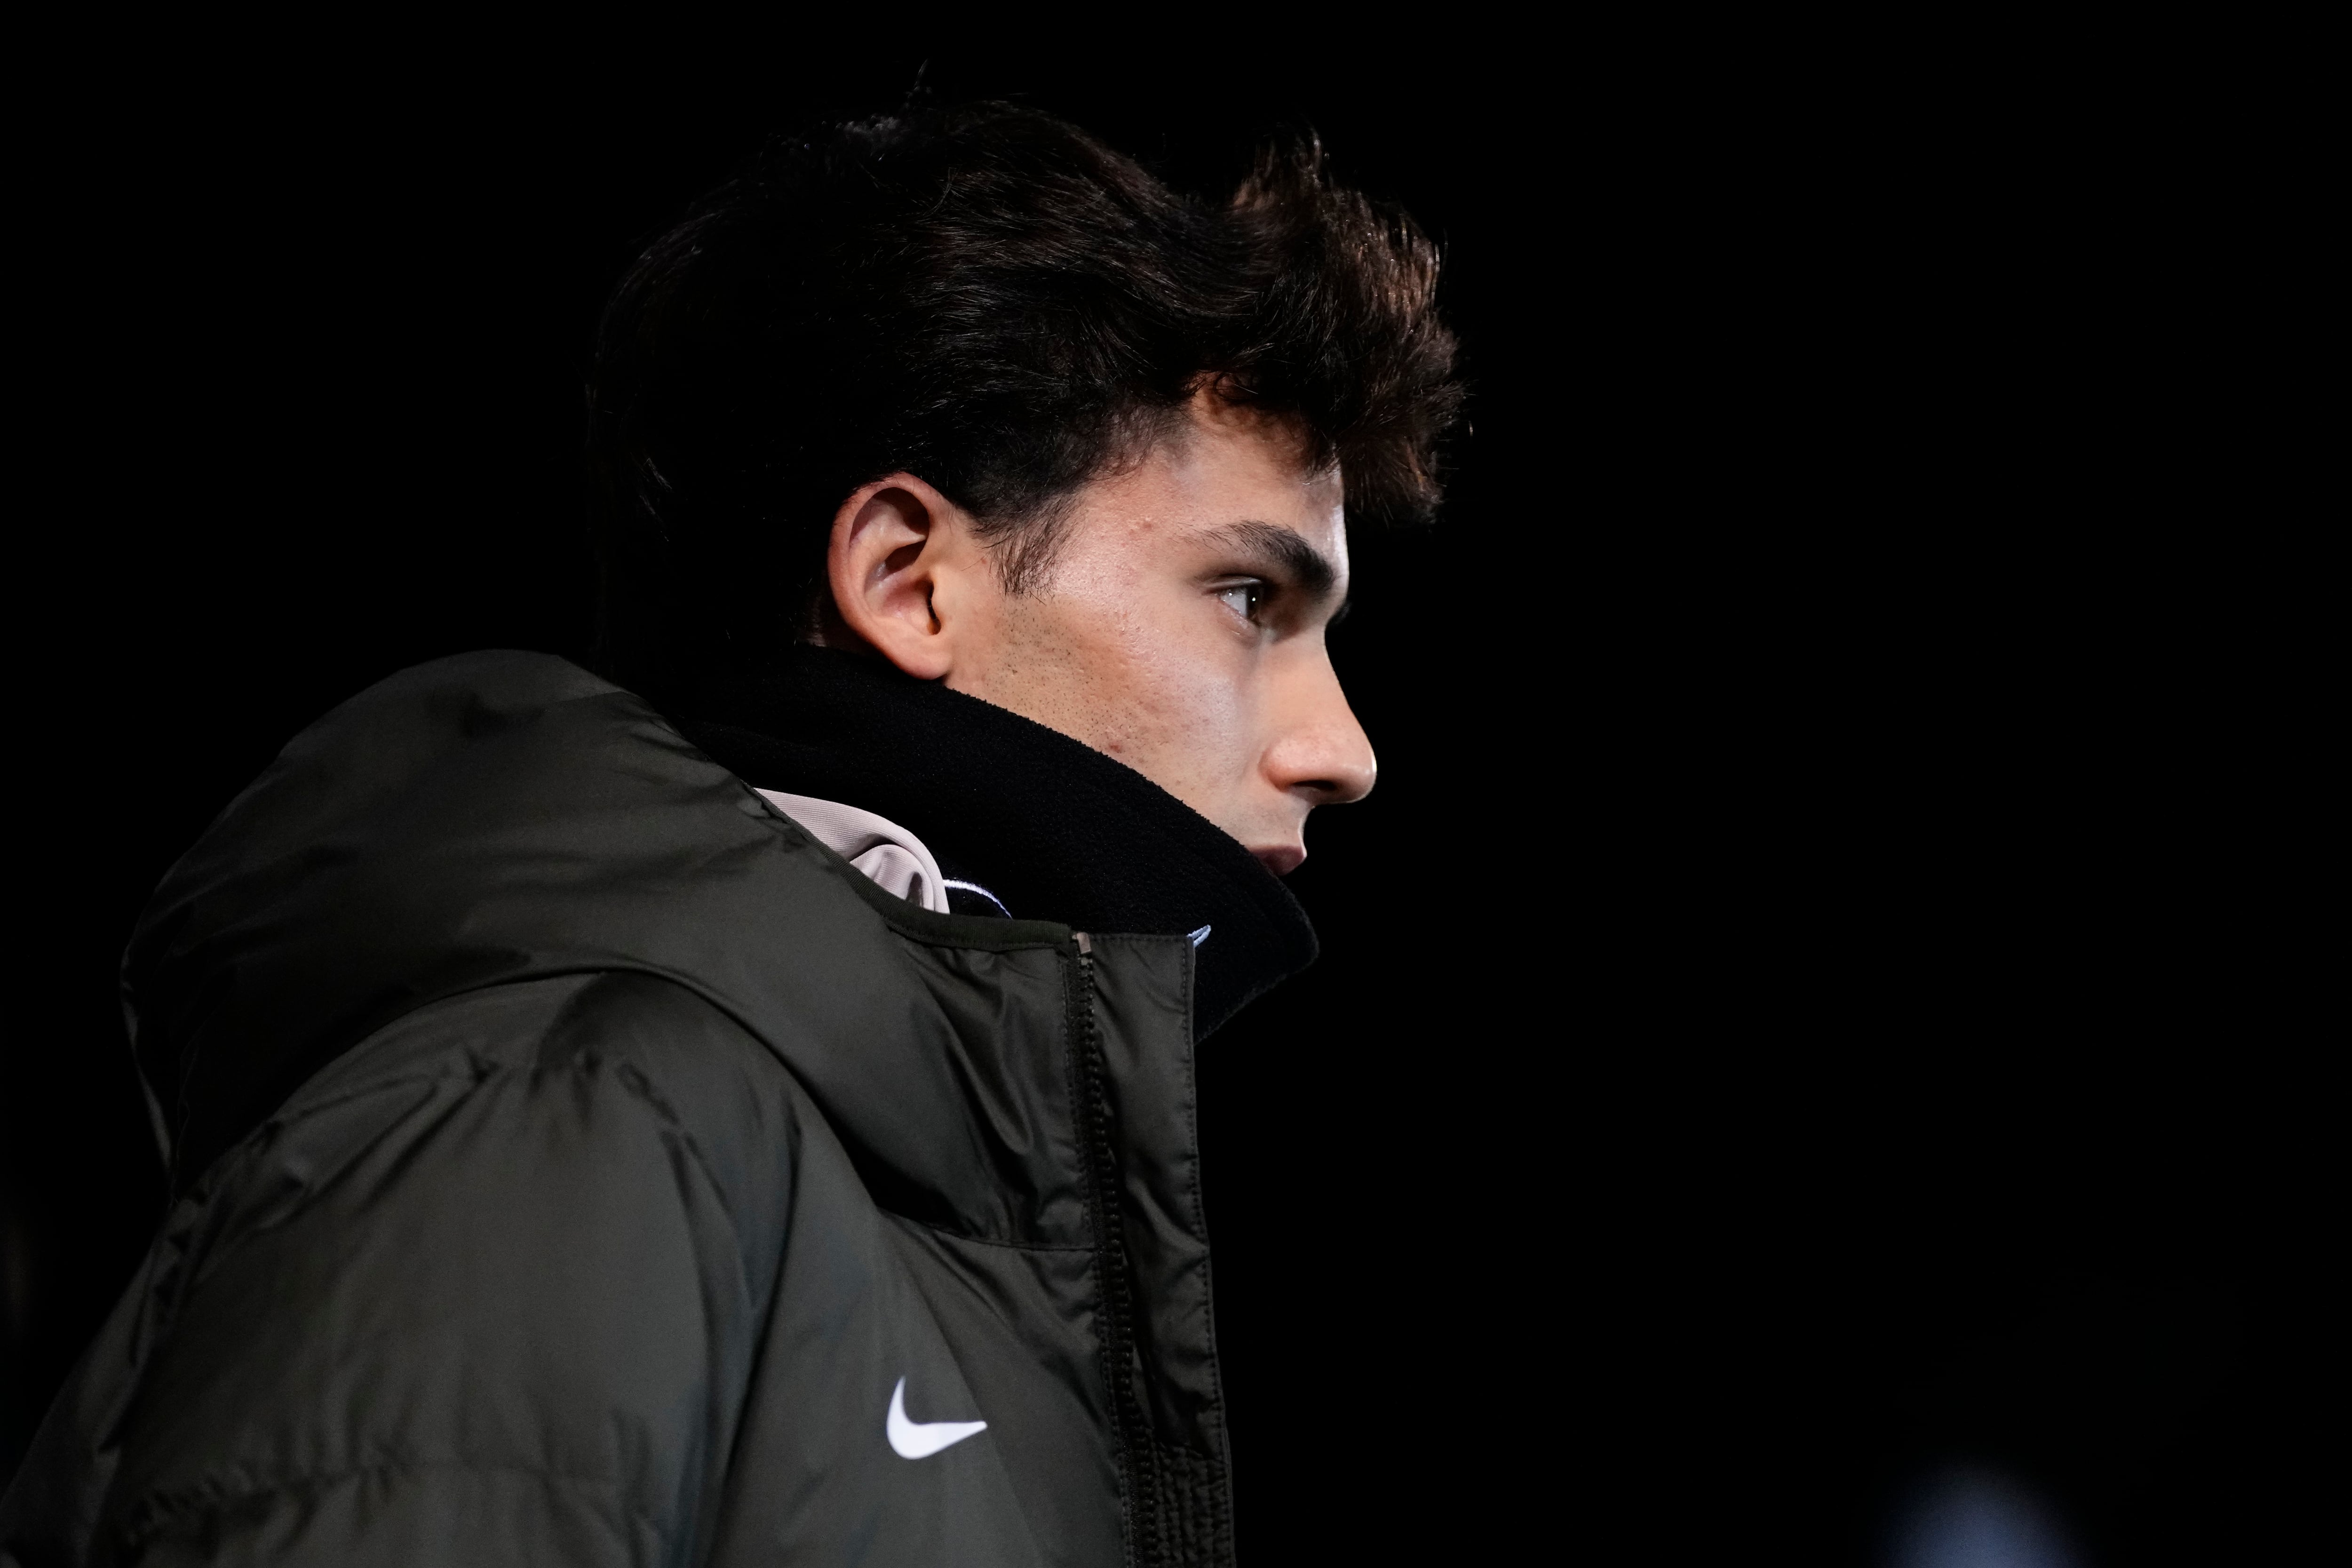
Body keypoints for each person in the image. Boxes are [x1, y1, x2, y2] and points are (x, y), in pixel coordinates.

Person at [1, 103, 1458, 1566]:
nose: (1343, 753)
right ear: (908, 580)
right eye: (1250, 600)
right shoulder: (569, 1112)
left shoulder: (895, 1190)